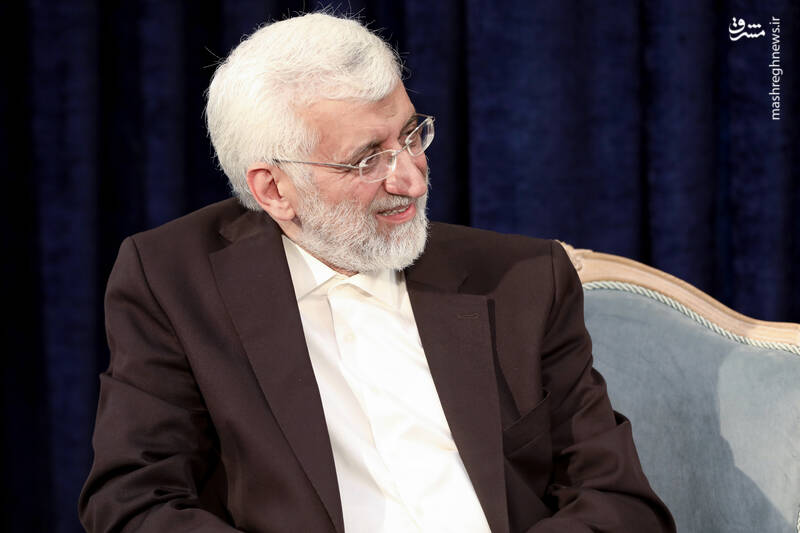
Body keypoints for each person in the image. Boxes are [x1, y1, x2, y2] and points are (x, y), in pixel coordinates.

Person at [79, 12, 675, 533]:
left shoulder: (522, 280)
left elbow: (619, 501)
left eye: (411, 136)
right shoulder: (174, 281)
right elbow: (133, 501)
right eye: (368, 159)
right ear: (274, 189)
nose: (411, 178)